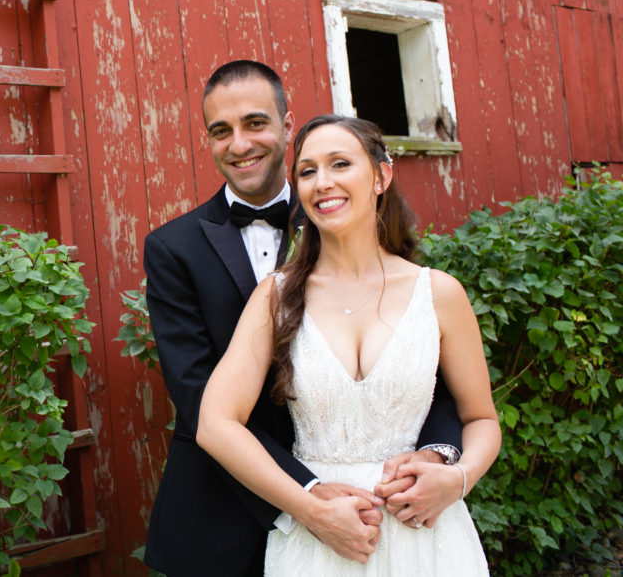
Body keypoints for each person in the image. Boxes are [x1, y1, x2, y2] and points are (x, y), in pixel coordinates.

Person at [142, 61, 465, 577]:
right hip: (222, 512)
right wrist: (309, 496)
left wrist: (438, 455)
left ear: (288, 125)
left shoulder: (341, 209)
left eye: (255, 123)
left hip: (373, 513)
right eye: (220, 131)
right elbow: (201, 397)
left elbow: (423, 364)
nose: (240, 144)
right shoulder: (172, 249)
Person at [197, 114, 502, 575]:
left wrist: (457, 480)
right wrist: (309, 509)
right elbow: (215, 425)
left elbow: (480, 418)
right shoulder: (275, 297)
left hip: (428, 538)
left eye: (340, 164)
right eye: (307, 171)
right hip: (320, 541)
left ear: (381, 175)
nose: (323, 182)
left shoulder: (438, 293)